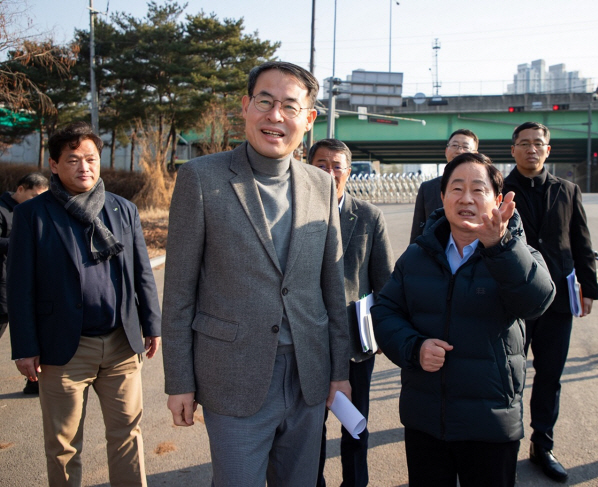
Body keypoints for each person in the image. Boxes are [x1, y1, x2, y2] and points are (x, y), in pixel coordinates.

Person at [162, 61, 351, 487]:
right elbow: (178, 292)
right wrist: (179, 381)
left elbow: (332, 290)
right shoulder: (200, 179)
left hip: (307, 375)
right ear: (246, 106)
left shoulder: (321, 185)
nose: (275, 116)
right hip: (233, 375)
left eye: (289, 106)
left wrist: (339, 373)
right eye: (265, 102)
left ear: (308, 118)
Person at [372, 152, 555, 487]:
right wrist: (414, 348)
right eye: (456, 188)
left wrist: (498, 247)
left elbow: (536, 302)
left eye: (478, 189)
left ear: (497, 200)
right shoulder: (418, 255)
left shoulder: (516, 251)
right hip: (426, 420)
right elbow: (385, 311)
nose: (466, 198)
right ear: (442, 197)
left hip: (490, 423)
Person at [8, 122, 162, 486]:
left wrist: (151, 324)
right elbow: (20, 286)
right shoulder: (33, 215)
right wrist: (25, 346)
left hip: (121, 342)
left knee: (127, 434)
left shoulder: (122, 209)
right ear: (54, 164)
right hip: (63, 348)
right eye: (73, 160)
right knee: (63, 444)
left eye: (90, 159)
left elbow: (142, 272)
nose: (84, 167)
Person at [504, 121, 598, 483]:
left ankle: (542, 445)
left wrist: (588, 289)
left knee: (550, 376)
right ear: (513, 150)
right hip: (511, 301)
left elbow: (581, 242)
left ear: (547, 150)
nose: (531, 149)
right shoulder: (499, 188)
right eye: (524, 144)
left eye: (538, 144)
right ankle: (505, 440)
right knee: (507, 374)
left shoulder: (568, 190)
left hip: (557, 300)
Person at [310, 139, 395, 487]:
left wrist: (383, 334)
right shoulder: (290, 212)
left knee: (354, 423)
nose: (329, 173)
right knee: (310, 426)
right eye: (321, 164)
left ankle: (355, 482)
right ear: (306, 165)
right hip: (307, 340)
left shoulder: (369, 216)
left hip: (355, 342)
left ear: (348, 171)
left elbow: (385, 283)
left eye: (337, 166)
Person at [0, 172, 49, 394]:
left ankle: (34, 382)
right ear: (20, 189)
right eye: (33, 195)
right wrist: (20, 242)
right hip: (2, 287)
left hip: (29, 287)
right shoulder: (2, 210)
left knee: (35, 336)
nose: (37, 200)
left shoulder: (36, 211)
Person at [409, 129, 478, 243]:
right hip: (433, 253)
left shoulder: (484, 189)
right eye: (454, 145)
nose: (459, 151)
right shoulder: (427, 188)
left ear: (475, 154)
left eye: (465, 147)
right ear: (446, 151)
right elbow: (418, 230)